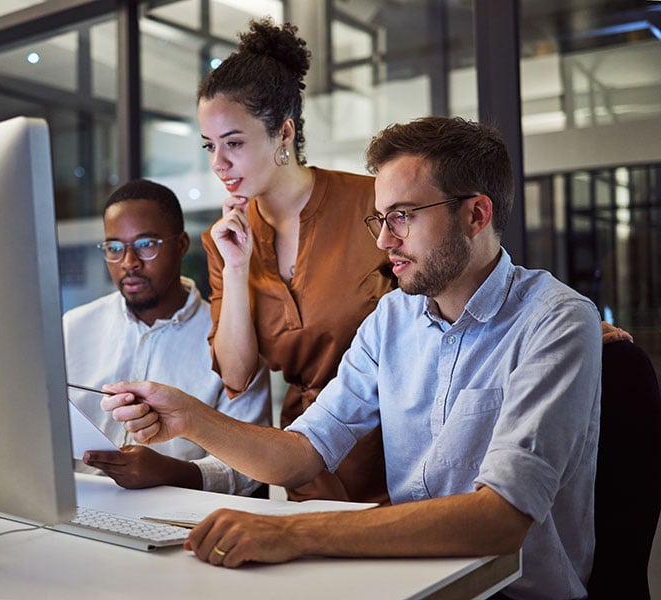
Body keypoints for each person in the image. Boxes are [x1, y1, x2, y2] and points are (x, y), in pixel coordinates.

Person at [100, 117, 603, 599]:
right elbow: (301, 455)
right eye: (381, 219)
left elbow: (499, 520)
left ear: (476, 214)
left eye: (403, 216)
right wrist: (189, 417)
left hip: (507, 593)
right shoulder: (392, 319)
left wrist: (298, 534)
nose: (384, 241)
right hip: (412, 580)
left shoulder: (555, 321)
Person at [198, 17, 395, 503]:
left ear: (283, 132)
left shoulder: (373, 202)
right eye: (210, 146)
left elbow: (454, 286)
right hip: (305, 459)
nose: (218, 164)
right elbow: (238, 376)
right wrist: (238, 266)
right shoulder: (224, 240)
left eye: (234, 143)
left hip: (397, 447)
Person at [63, 179, 271, 496]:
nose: (128, 262)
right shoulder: (74, 328)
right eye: (114, 248)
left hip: (179, 518)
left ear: (181, 245)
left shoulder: (231, 341)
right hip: (78, 505)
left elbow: (253, 469)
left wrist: (171, 472)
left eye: (146, 244)